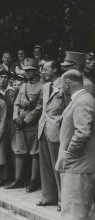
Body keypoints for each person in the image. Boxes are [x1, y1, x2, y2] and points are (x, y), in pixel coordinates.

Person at [55, 70, 95, 220]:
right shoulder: (85, 98)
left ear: (67, 84)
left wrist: (69, 155)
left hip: (77, 166)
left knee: (73, 214)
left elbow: (83, 133)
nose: (60, 89)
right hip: (82, 165)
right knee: (86, 213)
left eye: (61, 86)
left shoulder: (82, 101)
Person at [6, 58, 43, 192]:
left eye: (30, 71)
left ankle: (33, 181)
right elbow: (16, 103)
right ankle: (19, 179)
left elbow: (39, 107)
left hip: (32, 124)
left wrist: (26, 120)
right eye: (26, 71)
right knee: (19, 152)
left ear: (36, 71)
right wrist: (16, 117)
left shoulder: (42, 86)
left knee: (34, 153)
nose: (27, 73)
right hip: (19, 123)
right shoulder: (23, 86)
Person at [36, 61, 66, 211]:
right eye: (42, 69)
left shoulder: (65, 85)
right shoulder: (45, 86)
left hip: (57, 130)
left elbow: (68, 109)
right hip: (43, 128)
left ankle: (62, 199)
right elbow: (42, 107)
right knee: (46, 165)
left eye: (46, 69)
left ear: (55, 69)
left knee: (58, 166)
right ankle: (48, 196)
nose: (43, 72)